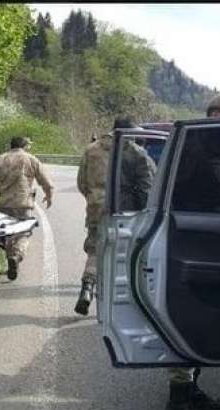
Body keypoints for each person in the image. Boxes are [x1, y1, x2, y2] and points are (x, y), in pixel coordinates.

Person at [161, 92, 220, 410]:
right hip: (195, 243)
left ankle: (192, 388)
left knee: (213, 321)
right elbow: (176, 198)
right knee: (192, 319)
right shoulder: (193, 150)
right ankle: (178, 401)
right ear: (217, 115)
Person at [74, 116, 155, 316]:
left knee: (95, 249)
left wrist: (94, 198)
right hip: (124, 210)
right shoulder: (135, 152)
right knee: (124, 254)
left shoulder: (91, 149)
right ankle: (119, 300)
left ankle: (87, 288)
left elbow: (82, 183)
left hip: (96, 207)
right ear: (130, 132)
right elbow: (147, 186)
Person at [0, 136, 53, 280]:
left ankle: (11, 258)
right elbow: (45, 181)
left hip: (4, 203)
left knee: (8, 233)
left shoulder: (2, 159)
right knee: (23, 233)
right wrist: (49, 195)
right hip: (23, 203)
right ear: (24, 146)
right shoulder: (31, 159)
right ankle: (16, 256)